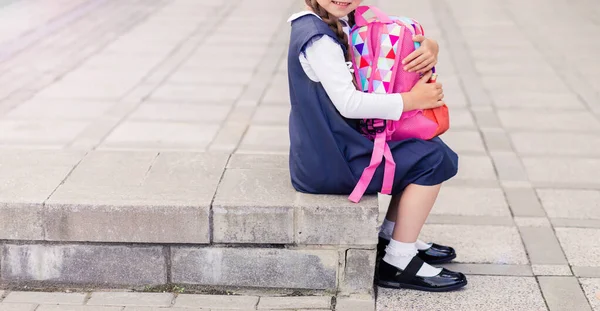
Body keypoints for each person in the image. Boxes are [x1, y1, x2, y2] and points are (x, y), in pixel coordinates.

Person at [287, 0, 467, 292]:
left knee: (423, 147)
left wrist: (430, 46)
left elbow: (395, 33)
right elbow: (349, 103)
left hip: (332, 149)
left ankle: (393, 235)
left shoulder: (344, 18)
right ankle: (397, 261)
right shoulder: (318, 38)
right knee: (434, 159)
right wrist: (412, 101)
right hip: (333, 161)